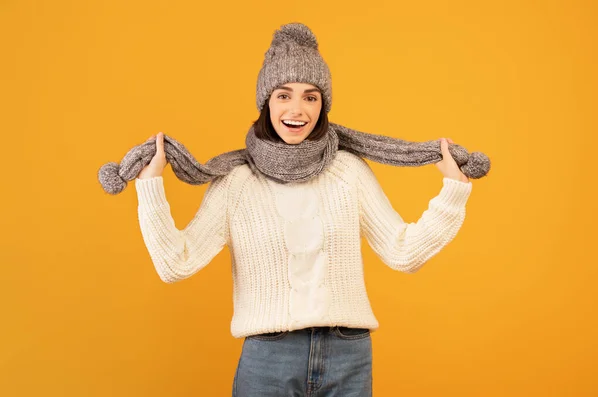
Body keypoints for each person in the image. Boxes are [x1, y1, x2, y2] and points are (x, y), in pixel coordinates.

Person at [134, 23, 472, 397]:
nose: (297, 110)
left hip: (348, 355)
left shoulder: (347, 172)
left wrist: (453, 191)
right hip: (269, 360)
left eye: (311, 97)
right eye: (284, 95)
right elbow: (174, 263)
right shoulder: (236, 183)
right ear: (266, 102)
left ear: (323, 105)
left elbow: (403, 252)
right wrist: (150, 186)